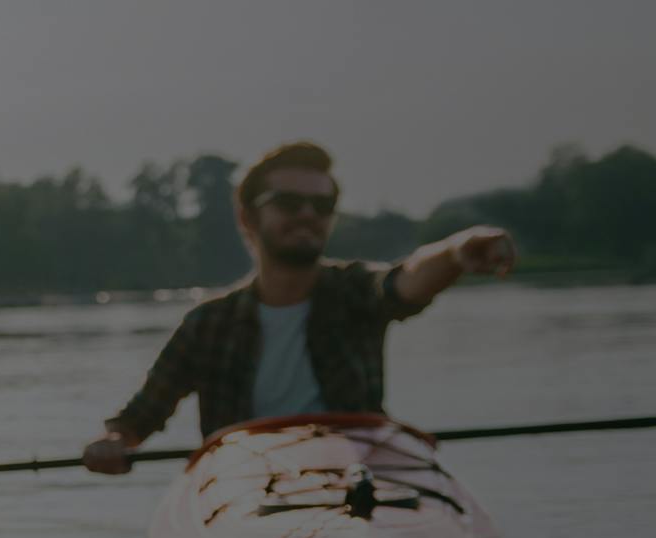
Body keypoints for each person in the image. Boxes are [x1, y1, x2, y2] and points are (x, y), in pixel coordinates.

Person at [81, 141, 517, 473]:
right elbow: (137, 420)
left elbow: (406, 281)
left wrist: (457, 252)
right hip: (246, 488)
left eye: (322, 205)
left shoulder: (354, 292)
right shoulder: (207, 324)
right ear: (247, 218)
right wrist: (112, 441)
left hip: (357, 479)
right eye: (288, 203)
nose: (308, 213)